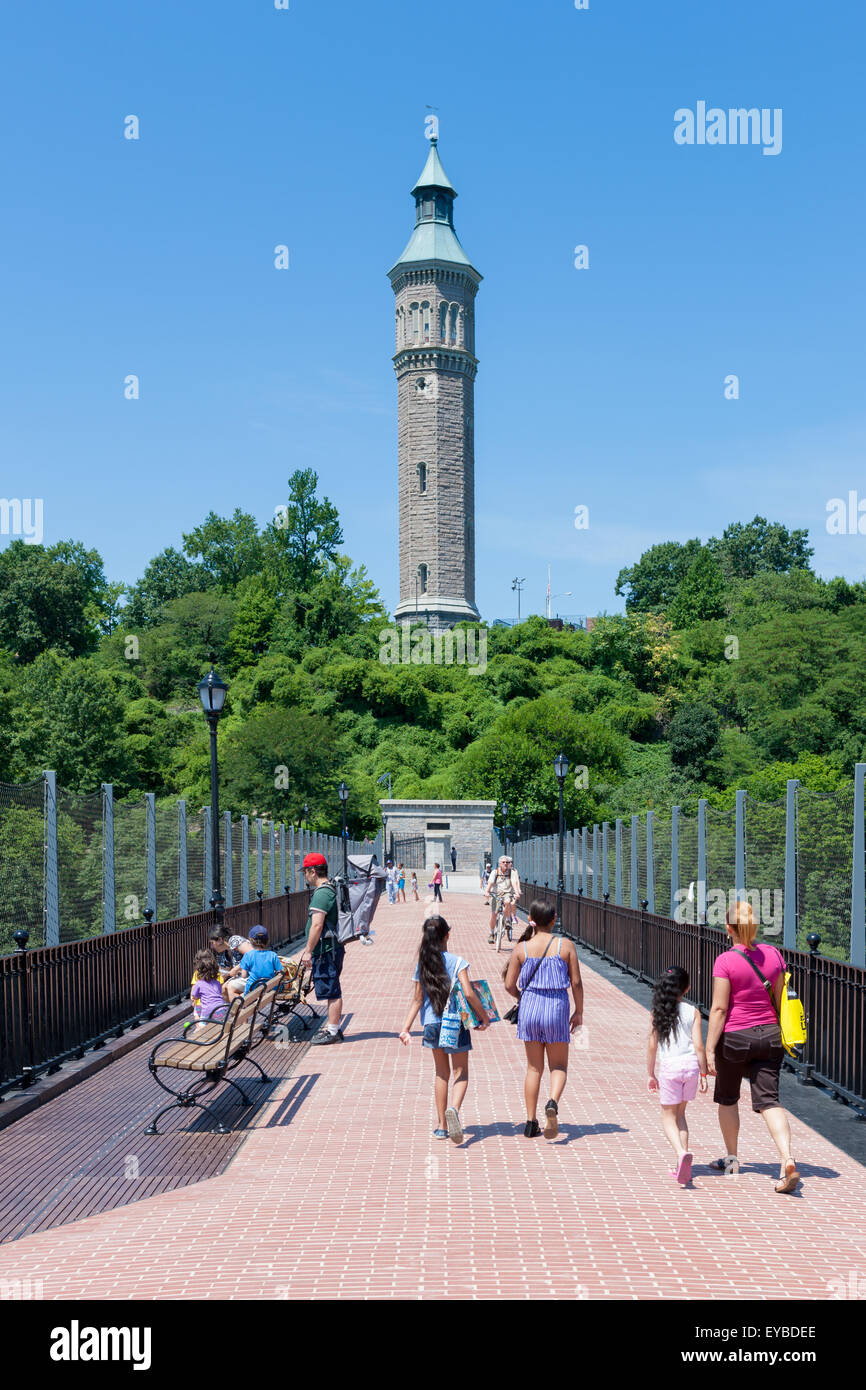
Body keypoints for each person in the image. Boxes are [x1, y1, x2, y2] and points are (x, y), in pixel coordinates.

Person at [706, 901, 801, 1193]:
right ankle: (787, 1160)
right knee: (769, 1101)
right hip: (770, 1036)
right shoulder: (774, 955)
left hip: (735, 1037)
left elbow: (720, 1008)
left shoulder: (725, 961)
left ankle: (732, 1160)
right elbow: (778, 997)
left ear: (729, 928)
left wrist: (709, 1048)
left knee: (728, 1098)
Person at [398, 914, 489, 1143]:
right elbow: (468, 993)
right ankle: (454, 1111)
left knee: (441, 1073)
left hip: (431, 1024)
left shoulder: (424, 964)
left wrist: (405, 1028)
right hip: (454, 1023)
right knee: (461, 1073)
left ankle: (441, 1126)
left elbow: (417, 1000)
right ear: (447, 935)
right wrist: (483, 1016)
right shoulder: (458, 961)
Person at [503, 901, 583, 1138]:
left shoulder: (522, 949)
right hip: (556, 1007)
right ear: (554, 919)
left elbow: (509, 984)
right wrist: (579, 1011)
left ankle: (530, 1122)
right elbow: (576, 982)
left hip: (530, 1008)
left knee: (533, 1068)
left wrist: (523, 997)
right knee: (558, 1066)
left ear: (531, 919)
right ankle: (552, 1103)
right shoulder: (565, 946)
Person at [646, 966, 707, 1185]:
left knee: (667, 1117)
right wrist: (704, 1072)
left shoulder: (658, 1012)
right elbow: (699, 1045)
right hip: (690, 1066)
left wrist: (651, 1073)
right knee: (681, 1115)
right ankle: (682, 1165)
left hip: (670, 1068)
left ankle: (681, 1153)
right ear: (687, 988)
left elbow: (652, 1046)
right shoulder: (693, 1011)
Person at [300, 852, 345, 1045]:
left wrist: (308, 951)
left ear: (312, 871)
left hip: (326, 949)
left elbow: (317, 925)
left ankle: (333, 1031)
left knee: (332, 989)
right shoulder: (330, 889)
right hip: (332, 948)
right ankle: (333, 1028)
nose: (305, 877)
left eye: (305, 873)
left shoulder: (322, 893)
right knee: (331, 987)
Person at [189, 948, 230, 1031]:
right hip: (220, 1007)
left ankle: (198, 1032)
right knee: (217, 1023)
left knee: (197, 1015)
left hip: (203, 1006)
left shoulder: (197, 974)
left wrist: (193, 999)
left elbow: (194, 992)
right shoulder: (217, 975)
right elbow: (220, 990)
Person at [238, 925, 285, 994]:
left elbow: (244, 975)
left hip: (253, 989)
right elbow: (280, 972)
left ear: (251, 940)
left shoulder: (248, 955)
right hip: (271, 988)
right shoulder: (273, 955)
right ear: (267, 940)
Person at [485, 855, 521, 944]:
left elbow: (514, 883)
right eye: (503, 862)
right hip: (496, 894)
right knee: (494, 914)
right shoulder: (495, 872)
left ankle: (508, 920)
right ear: (499, 864)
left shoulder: (511, 872)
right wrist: (487, 891)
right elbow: (490, 883)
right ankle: (492, 933)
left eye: (507, 862)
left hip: (507, 893)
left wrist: (516, 892)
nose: (506, 864)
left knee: (508, 901)